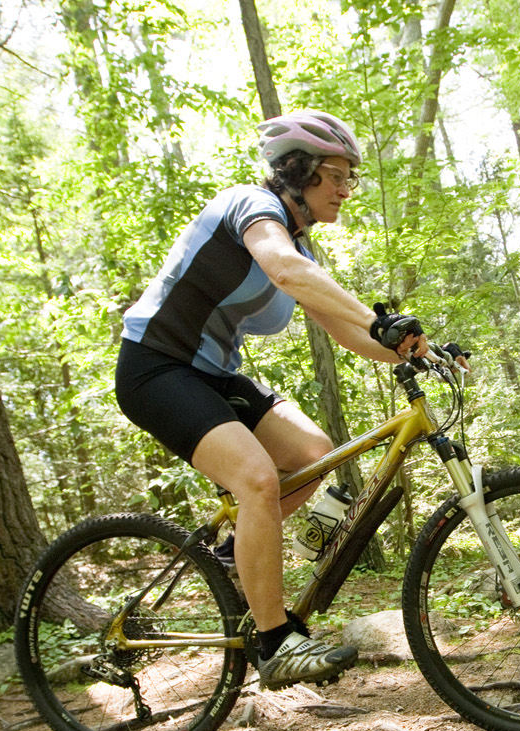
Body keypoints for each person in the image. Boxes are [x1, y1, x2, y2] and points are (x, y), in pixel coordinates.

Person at [115, 110, 426, 691]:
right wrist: (377, 319)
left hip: (212, 374)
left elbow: (344, 330)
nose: (345, 189)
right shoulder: (250, 208)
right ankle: (274, 641)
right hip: (155, 366)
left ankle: (234, 559)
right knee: (257, 477)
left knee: (313, 451)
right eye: (337, 175)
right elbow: (282, 270)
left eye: (351, 178)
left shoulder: (302, 250)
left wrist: (410, 350)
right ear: (299, 170)